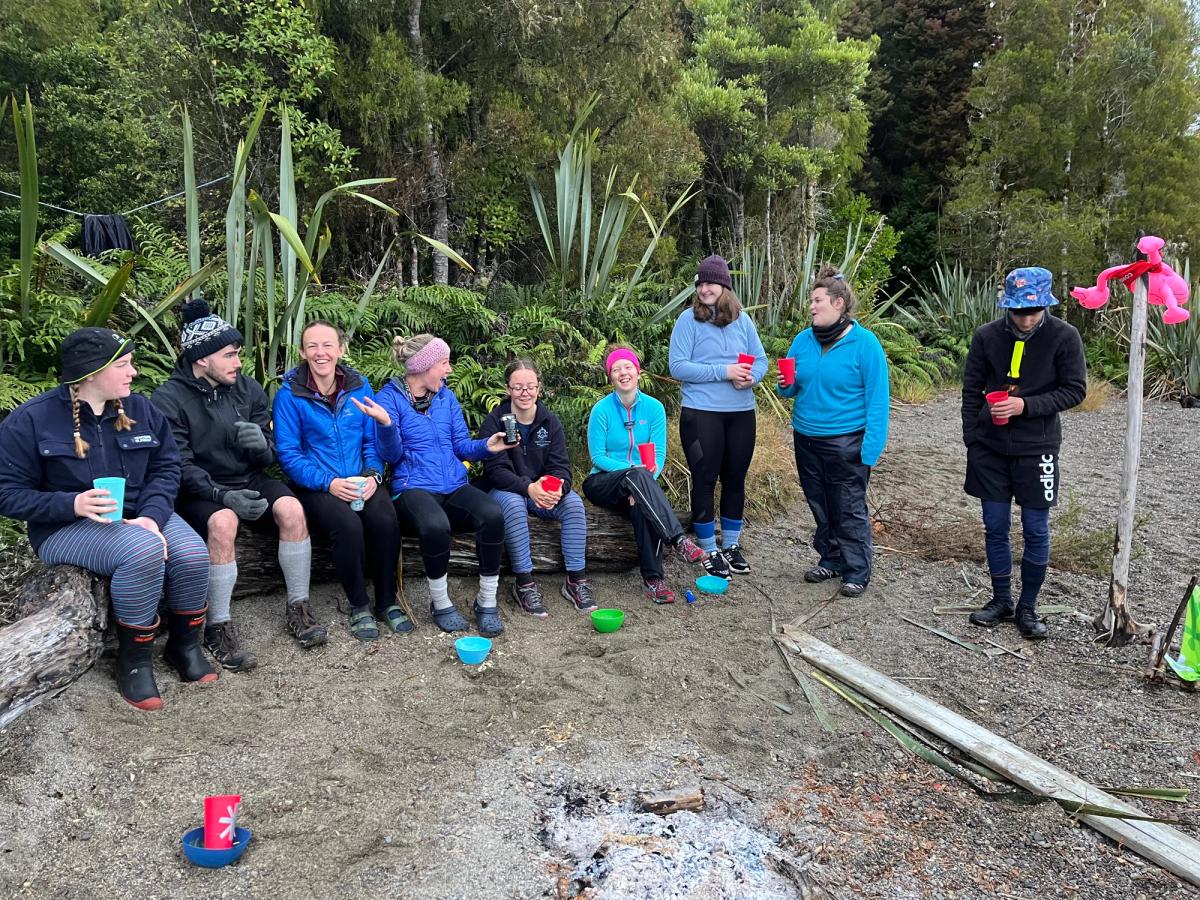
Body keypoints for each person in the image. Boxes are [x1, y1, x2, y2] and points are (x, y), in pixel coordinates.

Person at [0, 328, 215, 710]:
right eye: (124, 365)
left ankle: (184, 646)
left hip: (140, 516)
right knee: (143, 550)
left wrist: (150, 516)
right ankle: (134, 663)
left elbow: (166, 469)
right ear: (90, 373)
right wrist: (72, 504)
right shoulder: (31, 421)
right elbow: (7, 495)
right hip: (64, 528)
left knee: (194, 554)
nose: (133, 373)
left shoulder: (141, 409)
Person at [152, 299, 325, 671]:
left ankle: (299, 606)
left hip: (249, 478)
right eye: (229, 355)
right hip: (201, 490)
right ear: (202, 358)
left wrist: (262, 446)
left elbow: (270, 456)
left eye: (237, 354)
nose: (238, 362)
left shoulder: (247, 390)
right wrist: (222, 496)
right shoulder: (169, 398)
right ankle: (218, 626)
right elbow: (177, 464)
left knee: (293, 510)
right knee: (223, 522)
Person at [962, 266, 1086, 639]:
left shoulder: (1065, 336)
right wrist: (972, 436)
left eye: (1032, 311)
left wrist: (1025, 406)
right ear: (1007, 308)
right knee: (995, 526)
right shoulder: (986, 336)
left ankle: (1027, 608)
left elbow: (1075, 390)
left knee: (1035, 529)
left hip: (1038, 447)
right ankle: (1001, 599)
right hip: (989, 449)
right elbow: (971, 389)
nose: (1026, 318)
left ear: (1045, 305)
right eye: (1018, 311)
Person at [272, 320, 408, 642]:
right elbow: (289, 454)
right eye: (313, 346)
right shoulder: (290, 395)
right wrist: (329, 482)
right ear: (303, 352)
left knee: (386, 518)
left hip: (361, 478)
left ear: (341, 349)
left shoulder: (359, 387)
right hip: (317, 484)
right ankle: (359, 605)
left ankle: (387, 602)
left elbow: (371, 442)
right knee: (346, 525)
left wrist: (373, 475)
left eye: (328, 345)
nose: (321, 353)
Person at [370, 334, 510, 637]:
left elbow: (461, 446)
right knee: (435, 525)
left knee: (493, 514)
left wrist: (488, 445)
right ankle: (441, 602)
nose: (449, 370)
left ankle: (486, 602)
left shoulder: (446, 396)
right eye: (444, 363)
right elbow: (390, 456)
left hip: (453, 484)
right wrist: (386, 426)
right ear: (423, 366)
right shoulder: (390, 399)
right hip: (412, 487)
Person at [777, 266, 890, 598]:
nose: (811, 307)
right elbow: (791, 388)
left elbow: (878, 401)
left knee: (849, 507)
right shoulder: (803, 339)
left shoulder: (864, 343)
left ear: (838, 304)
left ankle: (857, 570)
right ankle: (831, 559)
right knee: (820, 503)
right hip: (806, 437)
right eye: (811, 301)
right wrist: (786, 384)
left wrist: (870, 450)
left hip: (847, 441)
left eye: (817, 301)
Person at [669, 254, 767, 579]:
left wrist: (751, 377)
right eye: (700, 283)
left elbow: (762, 361)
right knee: (705, 480)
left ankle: (732, 545)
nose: (705, 288)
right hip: (701, 413)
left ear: (725, 285)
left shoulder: (743, 321)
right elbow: (678, 366)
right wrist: (725, 371)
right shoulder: (688, 321)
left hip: (741, 413)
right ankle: (709, 547)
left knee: (736, 479)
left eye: (711, 282)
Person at [583, 347, 706, 605]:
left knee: (643, 508)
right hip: (603, 482)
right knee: (637, 477)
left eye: (627, 367)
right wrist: (633, 477)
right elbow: (598, 457)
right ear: (610, 377)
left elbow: (658, 456)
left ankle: (654, 580)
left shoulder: (654, 408)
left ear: (638, 372)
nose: (623, 373)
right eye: (616, 369)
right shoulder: (601, 410)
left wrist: (638, 485)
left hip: (640, 485)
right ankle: (679, 539)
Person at [478, 359, 595, 617]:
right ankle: (524, 583)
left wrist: (556, 490)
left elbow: (562, 467)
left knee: (574, 503)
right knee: (513, 503)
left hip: (541, 491)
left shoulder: (549, 420)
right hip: (507, 490)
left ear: (539, 387)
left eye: (530, 386)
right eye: (518, 387)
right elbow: (496, 471)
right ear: (508, 388)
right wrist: (528, 488)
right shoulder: (495, 421)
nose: (525, 393)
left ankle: (576, 580)